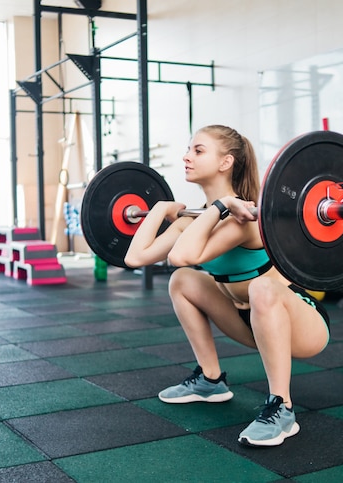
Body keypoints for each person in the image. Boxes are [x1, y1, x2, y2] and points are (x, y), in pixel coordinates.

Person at [124, 124, 330, 447]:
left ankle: (282, 407)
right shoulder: (194, 220)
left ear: (226, 162)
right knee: (182, 282)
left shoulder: (243, 218)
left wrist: (223, 205)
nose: (186, 157)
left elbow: (183, 254)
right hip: (248, 322)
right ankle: (210, 380)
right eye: (189, 149)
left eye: (198, 150)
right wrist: (161, 209)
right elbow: (135, 257)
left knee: (259, 287)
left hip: (300, 322)